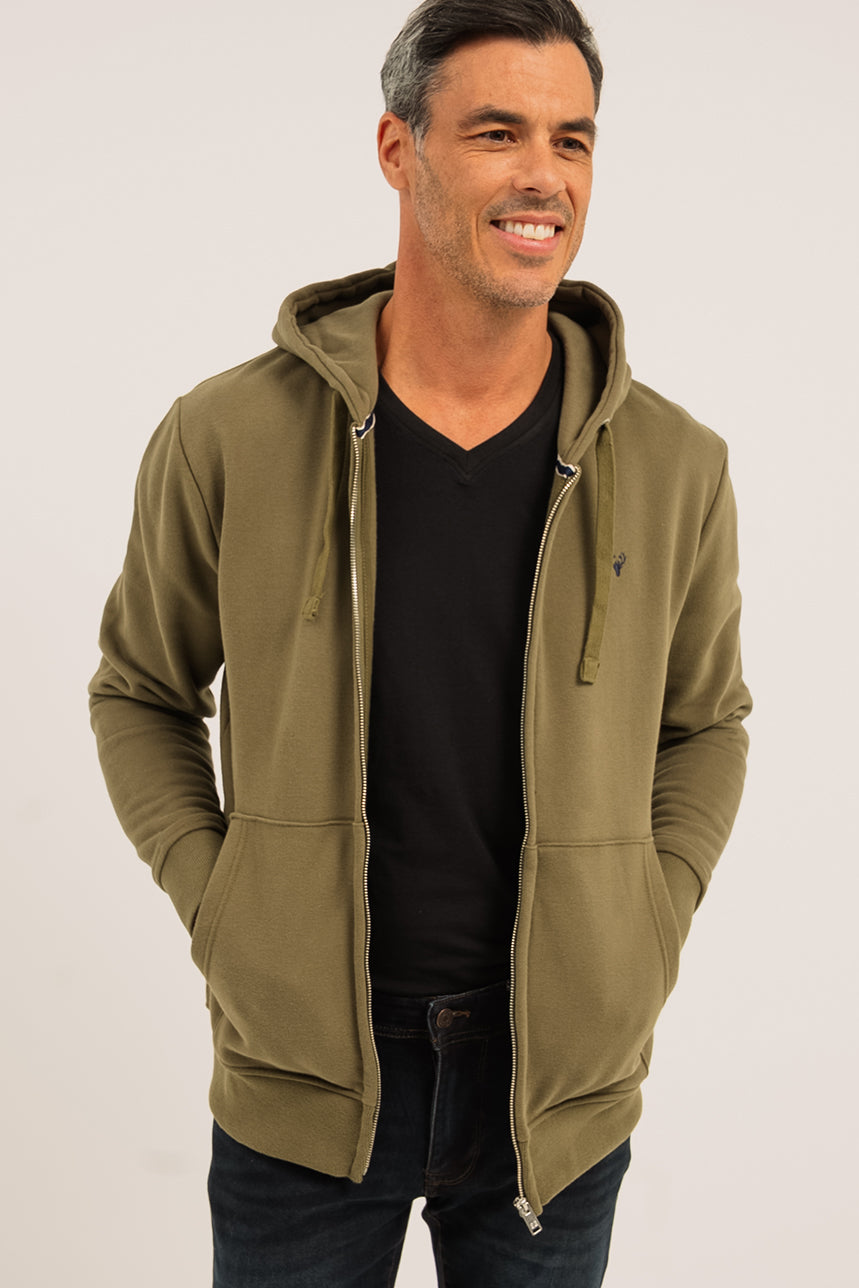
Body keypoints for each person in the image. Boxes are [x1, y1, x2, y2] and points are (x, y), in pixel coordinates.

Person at [89, 1, 751, 1283]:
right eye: (497, 132)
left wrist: (647, 921)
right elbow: (139, 690)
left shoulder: (677, 463)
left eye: (572, 138)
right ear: (398, 149)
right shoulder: (227, 434)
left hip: (554, 1090)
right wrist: (221, 904)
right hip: (303, 1080)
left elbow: (705, 722)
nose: (544, 175)